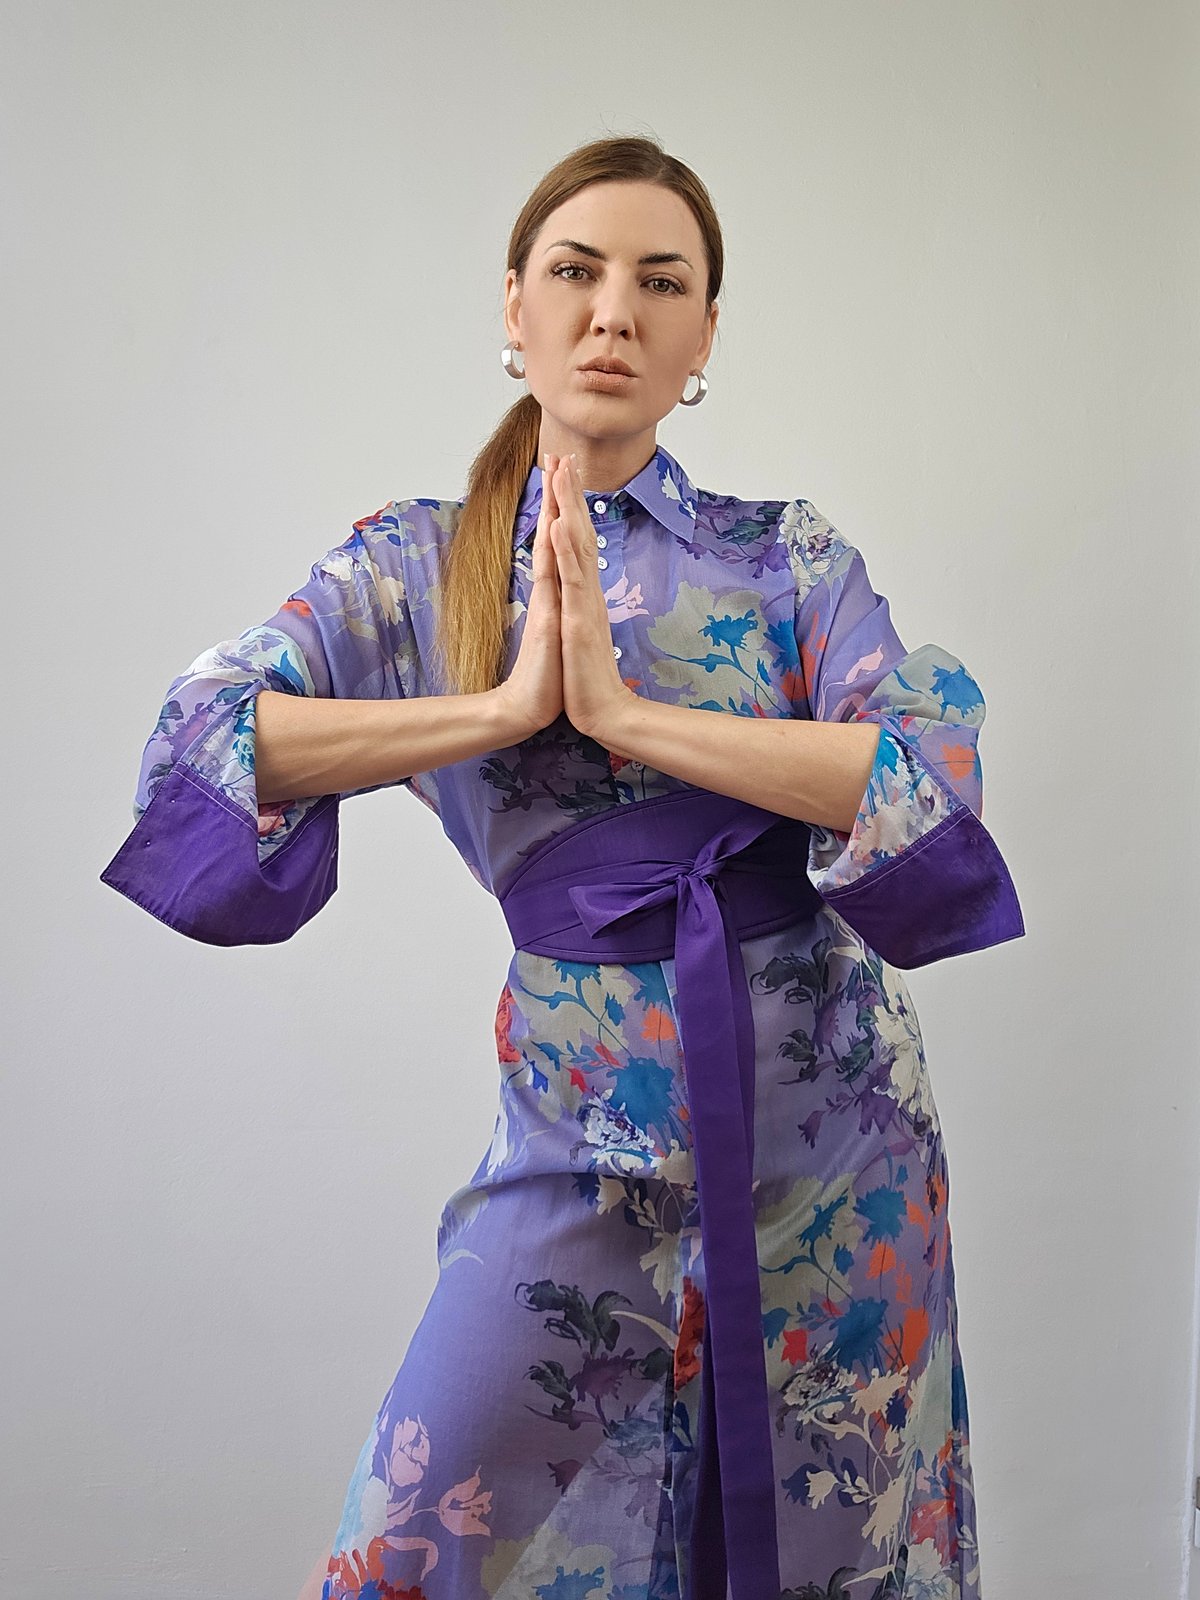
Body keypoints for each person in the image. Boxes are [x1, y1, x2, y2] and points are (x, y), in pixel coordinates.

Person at [100, 135, 1024, 1600]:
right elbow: (204, 740)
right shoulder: (421, 564)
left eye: (662, 283)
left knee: (835, 1546)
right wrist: (504, 709)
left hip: (834, 1146)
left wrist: (630, 717)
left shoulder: (787, 558)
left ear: (703, 337)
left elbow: (924, 785)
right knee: (413, 1546)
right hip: (578, 1132)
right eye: (578, 272)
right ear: (514, 306)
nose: (615, 313)